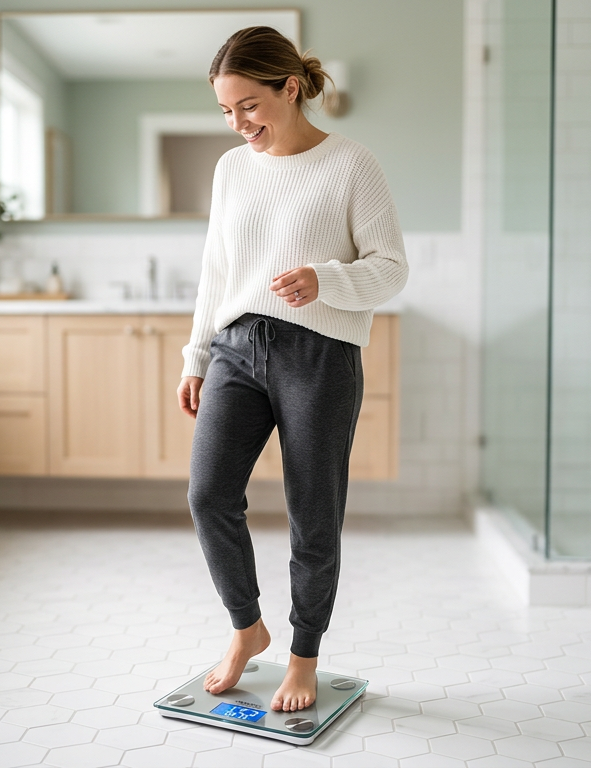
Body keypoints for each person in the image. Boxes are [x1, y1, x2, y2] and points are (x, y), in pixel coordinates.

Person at [176, 26, 408, 713]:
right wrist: (196, 355)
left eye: (248, 104)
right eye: (225, 110)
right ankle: (247, 630)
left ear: (291, 87)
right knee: (208, 494)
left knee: (313, 513)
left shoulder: (351, 164)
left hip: (321, 357)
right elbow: (216, 271)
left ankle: (304, 654)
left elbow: (391, 268)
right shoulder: (230, 169)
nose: (238, 122)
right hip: (235, 350)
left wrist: (325, 281)